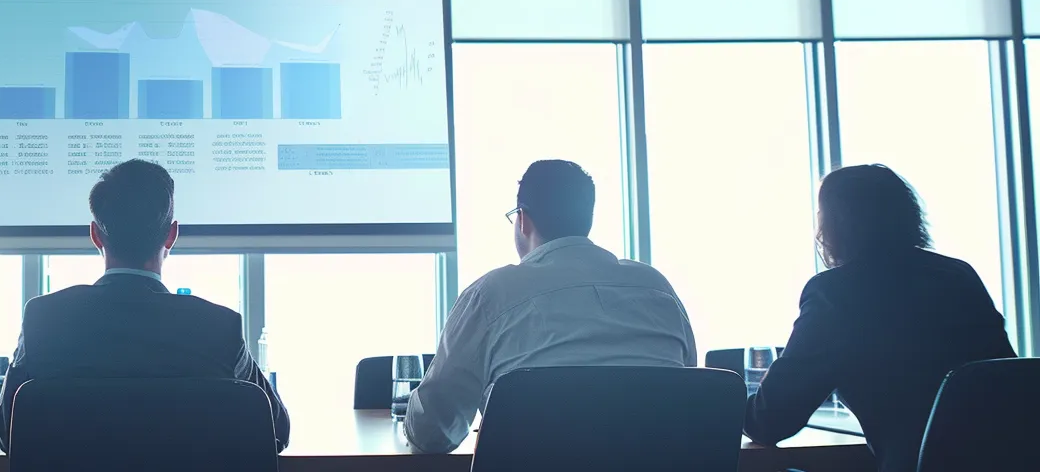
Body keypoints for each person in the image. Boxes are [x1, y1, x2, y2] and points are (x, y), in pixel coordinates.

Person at [0, 159, 290, 452]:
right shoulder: (219, 327)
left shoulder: (45, 319)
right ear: (172, 235)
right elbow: (276, 429)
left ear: (96, 235)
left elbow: (9, 433)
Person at [403, 159, 696, 453]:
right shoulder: (657, 289)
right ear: (586, 218)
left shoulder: (491, 295)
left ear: (522, 219)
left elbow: (432, 433)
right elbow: (689, 395)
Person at [745, 164, 1013, 472]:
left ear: (834, 225)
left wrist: (726, 401)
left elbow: (769, 422)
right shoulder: (958, 276)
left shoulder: (835, 293)